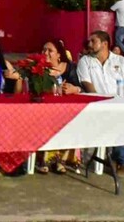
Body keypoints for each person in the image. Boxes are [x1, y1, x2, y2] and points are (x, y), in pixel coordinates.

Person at [77, 30, 124, 172]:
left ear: (105, 44)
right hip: (99, 108)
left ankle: (116, 155)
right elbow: (89, 88)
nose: (89, 44)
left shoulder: (122, 61)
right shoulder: (85, 62)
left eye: (93, 41)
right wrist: (107, 106)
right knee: (118, 120)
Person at [36, 40, 82, 175]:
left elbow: (81, 87)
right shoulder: (39, 68)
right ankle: (44, 160)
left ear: (59, 55)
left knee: (71, 121)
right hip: (45, 110)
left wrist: (75, 89)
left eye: (50, 50)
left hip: (67, 110)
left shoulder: (70, 68)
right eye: (44, 50)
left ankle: (62, 160)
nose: (45, 53)